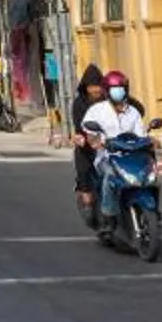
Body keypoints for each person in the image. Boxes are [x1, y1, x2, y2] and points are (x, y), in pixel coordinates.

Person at [79, 72, 150, 226]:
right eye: (114, 89)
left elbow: (141, 134)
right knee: (110, 176)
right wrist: (95, 141)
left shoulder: (133, 112)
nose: (119, 92)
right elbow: (89, 131)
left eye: (121, 88)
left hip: (131, 156)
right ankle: (108, 214)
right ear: (107, 90)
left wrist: (151, 141)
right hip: (107, 156)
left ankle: (150, 207)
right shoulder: (97, 110)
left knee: (148, 174)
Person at [68, 64, 106, 218]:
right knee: (83, 166)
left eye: (98, 85)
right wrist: (83, 138)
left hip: (109, 143)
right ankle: (87, 200)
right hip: (88, 144)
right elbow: (79, 125)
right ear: (86, 87)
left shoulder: (109, 100)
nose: (96, 89)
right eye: (92, 86)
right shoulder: (79, 103)